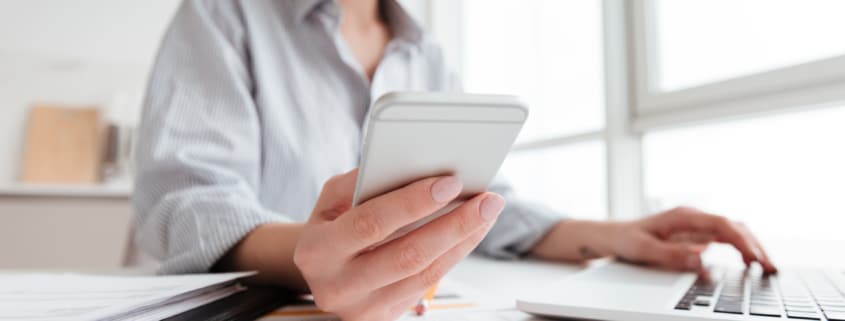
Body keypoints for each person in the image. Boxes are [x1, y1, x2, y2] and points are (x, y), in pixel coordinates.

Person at [133, 0, 777, 320]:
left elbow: (475, 196)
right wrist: (314, 251)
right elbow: (182, 204)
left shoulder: (427, 52)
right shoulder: (223, 15)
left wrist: (610, 235)